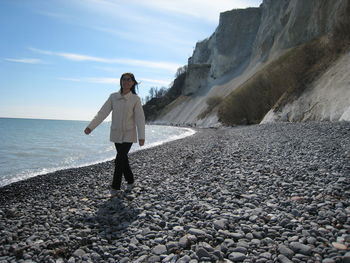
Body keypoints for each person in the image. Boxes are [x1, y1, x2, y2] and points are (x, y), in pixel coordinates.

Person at [84, 72, 145, 197]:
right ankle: (131, 181)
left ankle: (115, 187)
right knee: (123, 159)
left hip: (129, 133)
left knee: (119, 159)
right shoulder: (113, 97)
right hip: (116, 133)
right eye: (123, 79)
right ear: (120, 81)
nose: (126, 82)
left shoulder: (135, 99)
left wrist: (141, 136)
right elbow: (102, 113)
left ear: (133, 82)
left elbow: (140, 118)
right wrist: (91, 127)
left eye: (129, 80)